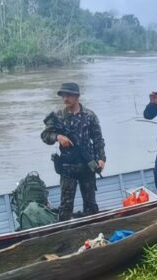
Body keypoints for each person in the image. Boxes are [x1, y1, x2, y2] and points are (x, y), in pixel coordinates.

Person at [41, 83, 106, 221]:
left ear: (77, 96)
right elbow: (45, 136)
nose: (65, 98)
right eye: (63, 95)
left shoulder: (89, 116)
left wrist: (101, 159)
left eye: (68, 95)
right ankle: (65, 236)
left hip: (87, 165)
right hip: (67, 168)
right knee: (65, 207)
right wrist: (58, 137)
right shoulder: (58, 116)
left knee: (90, 206)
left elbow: (98, 139)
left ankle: (94, 232)